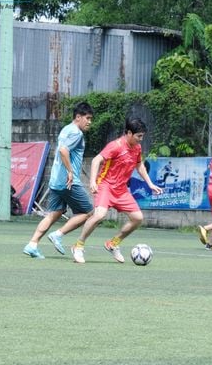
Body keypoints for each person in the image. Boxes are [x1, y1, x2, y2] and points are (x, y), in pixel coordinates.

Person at [71, 117, 163, 264]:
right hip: (106, 186)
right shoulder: (115, 146)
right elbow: (96, 160)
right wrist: (93, 181)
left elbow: (139, 166)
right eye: (139, 136)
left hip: (121, 190)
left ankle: (113, 243)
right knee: (99, 215)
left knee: (138, 218)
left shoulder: (137, 148)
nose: (141, 139)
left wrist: (150, 184)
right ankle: (78, 246)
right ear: (128, 133)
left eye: (142, 136)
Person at [23, 102, 95, 259]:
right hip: (68, 182)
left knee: (54, 213)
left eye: (91, 119)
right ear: (78, 117)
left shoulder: (66, 129)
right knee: (88, 212)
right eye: (87, 118)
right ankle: (58, 234)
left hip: (55, 180)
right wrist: (70, 172)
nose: (90, 122)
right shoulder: (77, 133)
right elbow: (63, 151)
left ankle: (32, 244)